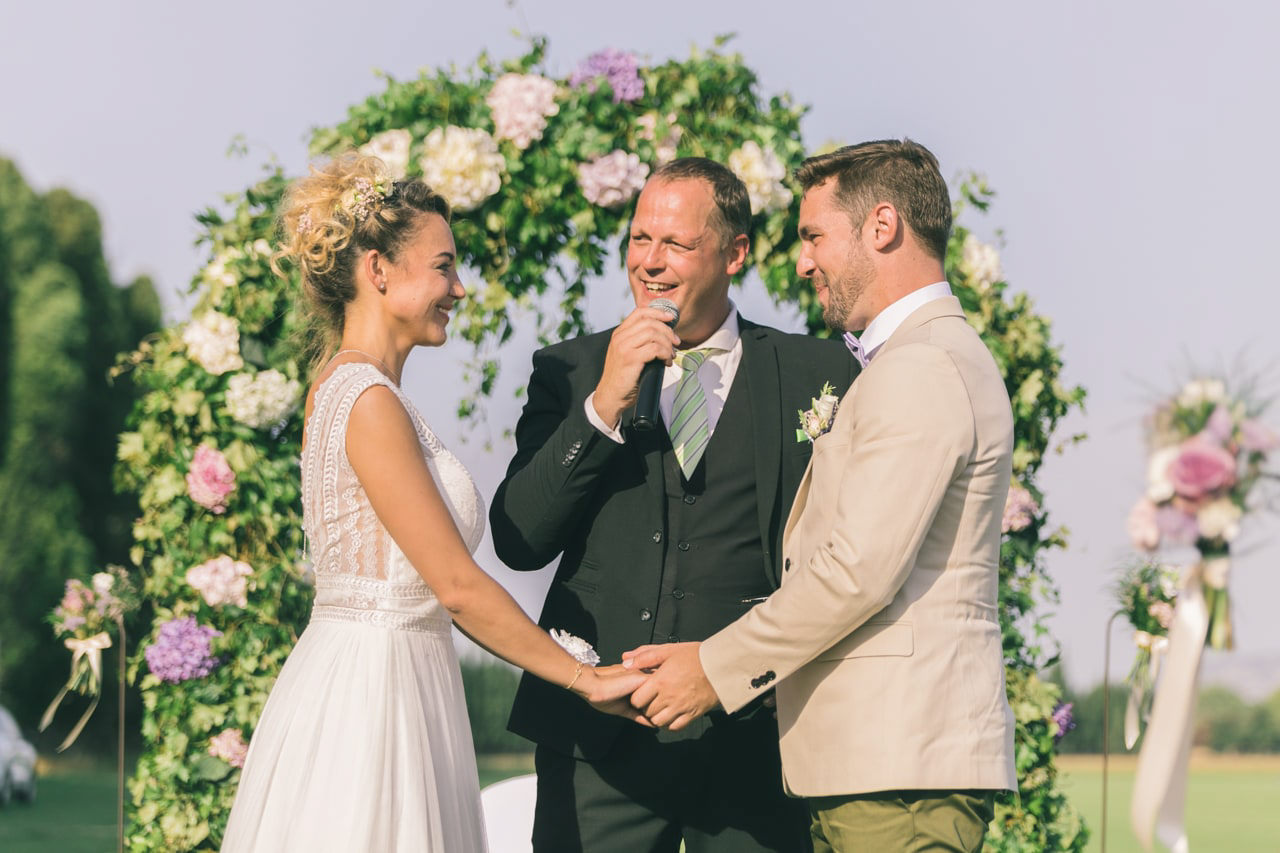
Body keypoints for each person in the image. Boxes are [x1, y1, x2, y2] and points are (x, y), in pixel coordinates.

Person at [221, 154, 646, 853]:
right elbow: (454, 585)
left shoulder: (363, 393)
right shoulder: (367, 402)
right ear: (378, 270)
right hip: (373, 696)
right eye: (444, 266)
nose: (460, 287)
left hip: (403, 675)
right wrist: (583, 678)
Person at [624, 140, 1018, 853]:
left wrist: (713, 668)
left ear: (883, 227)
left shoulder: (922, 366)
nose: (803, 261)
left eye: (813, 236)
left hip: (899, 771)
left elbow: (856, 571)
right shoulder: (911, 361)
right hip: (876, 767)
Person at [489, 157, 857, 852]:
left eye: (676, 245)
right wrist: (602, 406)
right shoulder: (568, 372)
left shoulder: (821, 372)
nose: (650, 263)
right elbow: (518, 539)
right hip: (596, 743)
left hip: (756, 742)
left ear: (735, 253)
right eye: (638, 240)